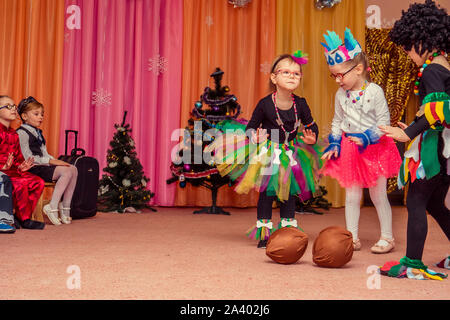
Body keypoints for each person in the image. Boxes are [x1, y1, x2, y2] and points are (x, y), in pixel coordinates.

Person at [207, 51, 321, 248]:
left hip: (292, 152)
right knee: (267, 193)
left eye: (296, 73)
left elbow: (312, 125)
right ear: (274, 77)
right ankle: (264, 233)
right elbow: (251, 127)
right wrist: (254, 136)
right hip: (268, 152)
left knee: (288, 192)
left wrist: (312, 137)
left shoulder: (300, 104)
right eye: (286, 72)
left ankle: (288, 232)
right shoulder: (265, 104)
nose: (292, 76)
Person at [378, 0, 449, 279]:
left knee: (416, 202)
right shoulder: (444, 65)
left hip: (436, 151)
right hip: (445, 148)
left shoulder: (432, 70)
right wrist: (420, 125)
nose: (407, 53)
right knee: (434, 204)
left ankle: (413, 264)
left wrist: (407, 133)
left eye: (408, 46)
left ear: (422, 40)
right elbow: (440, 113)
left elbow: (438, 110)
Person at [319, 28, 402, 253]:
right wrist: (335, 142)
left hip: (375, 148)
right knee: (352, 194)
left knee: (377, 194)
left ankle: (387, 237)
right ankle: (351, 237)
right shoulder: (340, 95)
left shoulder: (374, 91)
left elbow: (384, 123)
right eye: (333, 75)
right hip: (350, 149)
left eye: (340, 75)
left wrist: (366, 136)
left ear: (358, 68)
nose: (337, 80)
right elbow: (337, 121)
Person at [17, 96, 77, 225]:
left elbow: (45, 153)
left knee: (73, 169)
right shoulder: (21, 133)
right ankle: (52, 205)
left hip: (42, 166)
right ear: (24, 116)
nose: (41, 117)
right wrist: (52, 162)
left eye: (42, 114)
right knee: (65, 172)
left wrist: (55, 160)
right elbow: (28, 157)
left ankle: (65, 207)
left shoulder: (39, 133)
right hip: (32, 168)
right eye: (36, 114)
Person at [0, 95, 45, 229]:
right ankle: (25, 220)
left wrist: (21, 166)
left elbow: (18, 158)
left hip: (13, 171)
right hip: (2, 172)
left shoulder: (14, 133)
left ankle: (20, 216)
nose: (13, 109)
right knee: (21, 183)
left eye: (14, 106)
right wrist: (3, 166)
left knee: (37, 182)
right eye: (8, 106)